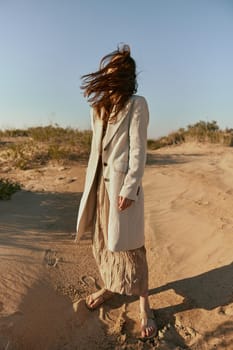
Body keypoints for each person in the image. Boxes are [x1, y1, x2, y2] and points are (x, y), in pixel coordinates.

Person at [75, 44, 157, 340]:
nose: (110, 77)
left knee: (132, 247)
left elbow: (139, 151)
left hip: (122, 187)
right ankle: (110, 285)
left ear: (127, 77)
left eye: (116, 73)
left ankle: (145, 304)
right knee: (103, 241)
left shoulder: (138, 104)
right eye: (108, 72)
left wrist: (130, 187)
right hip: (98, 186)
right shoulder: (97, 109)